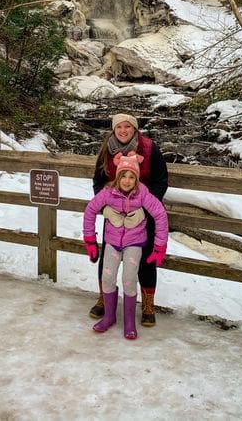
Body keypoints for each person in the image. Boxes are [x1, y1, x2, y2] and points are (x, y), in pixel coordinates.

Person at [91, 113, 169, 326]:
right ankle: (103, 297)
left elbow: (161, 182)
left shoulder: (150, 148)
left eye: (128, 127)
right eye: (119, 127)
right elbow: (98, 181)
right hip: (115, 216)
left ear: (135, 129)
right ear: (113, 130)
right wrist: (106, 208)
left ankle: (148, 304)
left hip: (144, 215)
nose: (123, 130)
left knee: (145, 260)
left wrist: (144, 208)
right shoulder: (107, 149)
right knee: (108, 257)